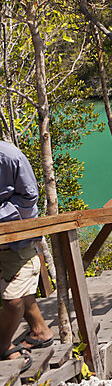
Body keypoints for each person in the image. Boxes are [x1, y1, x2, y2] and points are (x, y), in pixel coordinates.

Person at [0, 140, 53, 370]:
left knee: (13, 301)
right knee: (19, 290)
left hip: (17, 240)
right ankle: (41, 331)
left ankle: (1, 346)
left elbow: (29, 197)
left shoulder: (9, 156)